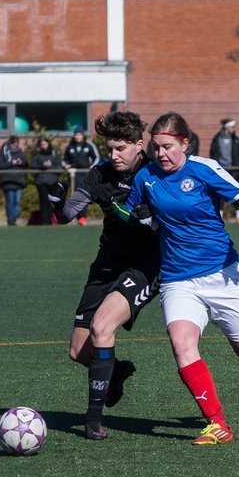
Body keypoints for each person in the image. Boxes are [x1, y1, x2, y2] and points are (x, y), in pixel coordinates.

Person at [123, 112, 239, 445]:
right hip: (178, 279)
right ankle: (217, 424)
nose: (161, 154)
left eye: (167, 147)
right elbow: (129, 210)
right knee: (182, 345)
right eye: (156, 148)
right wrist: (136, 216)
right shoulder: (146, 176)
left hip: (223, 275)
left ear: (185, 143)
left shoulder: (203, 168)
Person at [48, 111, 162, 440]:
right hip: (106, 264)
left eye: (120, 149)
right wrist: (58, 205)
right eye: (109, 148)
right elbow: (71, 213)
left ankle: (93, 419)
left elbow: (178, 222)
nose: (113, 155)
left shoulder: (156, 172)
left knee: (102, 327)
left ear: (140, 146)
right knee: (78, 351)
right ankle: (118, 371)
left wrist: (151, 223)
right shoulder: (100, 173)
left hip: (145, 265)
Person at [209, 118, 239, 222]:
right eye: (232, 127)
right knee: (219, 194)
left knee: (236, 193)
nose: (234, 129)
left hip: (234, 170)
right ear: (227, 127)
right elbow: (212, 153)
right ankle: (219, 215)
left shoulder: (237, 138)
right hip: (220, 170)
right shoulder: (217, 138)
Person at [64, 126, 99, 225]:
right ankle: (74, 216)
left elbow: (96, 158)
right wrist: (66, 165)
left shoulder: (89, 146)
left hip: (85, 174)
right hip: (73, 175)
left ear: (83, 135)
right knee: (74, 195)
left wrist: (93, 166)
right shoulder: (70, 147)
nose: (77, 136)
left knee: (83, 195)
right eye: (76, 134)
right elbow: (64, 160)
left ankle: (83, 217)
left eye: (79, 134)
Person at [0, 134, 28, 225]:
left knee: (17, 201)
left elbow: (25, 163)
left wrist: (20, 162)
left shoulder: (20, 152)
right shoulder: (2, 152)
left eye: (15, 144)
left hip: (18, 181)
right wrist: (11, 163)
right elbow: (0, 165)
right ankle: (10, 219)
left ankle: (13, 219)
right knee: (10, 201)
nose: (14, 145)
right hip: (7, 181)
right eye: (12, 144)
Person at [30, 136, 62, 225]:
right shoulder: (37, 154)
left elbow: (59, 166)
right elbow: (32, 166)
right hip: (41, 182)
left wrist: (53, 169)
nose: (43, 146)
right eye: (41, 144)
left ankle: (51, 221)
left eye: (45, 144)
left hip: (52, 181)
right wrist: (42, 166)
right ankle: (45, 222)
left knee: (51, 203)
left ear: (48, 143)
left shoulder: (54, 153)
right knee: (44, 202)